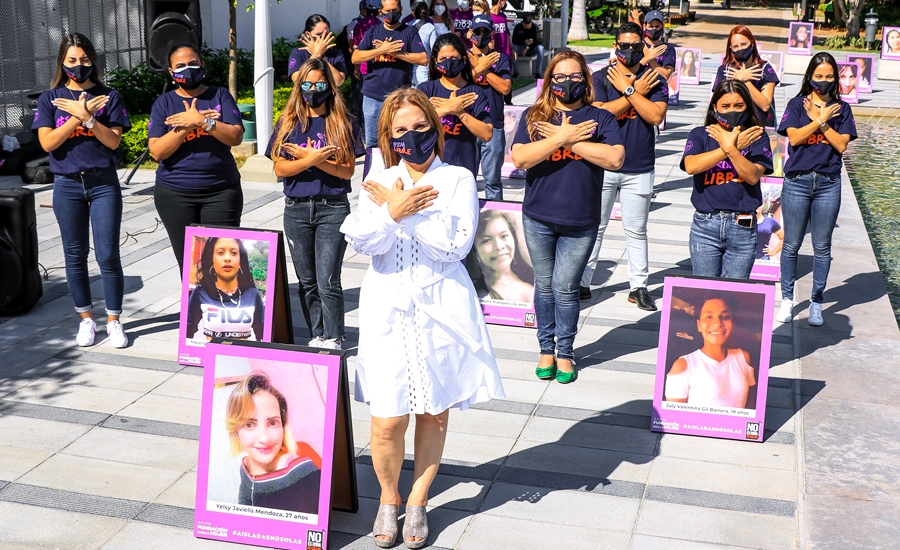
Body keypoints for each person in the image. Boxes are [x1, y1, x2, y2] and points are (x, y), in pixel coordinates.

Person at [340, 87, 505, 549]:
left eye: (420, 127)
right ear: (388, 138)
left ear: (434, 127)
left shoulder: (457, 178)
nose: (412, 137)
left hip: (441, 309)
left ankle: (417, 498)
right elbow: (361, 240)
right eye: (401, 130)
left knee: (433, 412)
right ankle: (388, 497)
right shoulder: (379, 176)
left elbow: (454, 246)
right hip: (387, 309)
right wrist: (392, 211)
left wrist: (401, 212)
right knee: (386, 419)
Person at [511, 51, 625, 384]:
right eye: (559, 77)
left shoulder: (599, 118)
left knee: (566, 288)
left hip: (581, 219)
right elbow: (520, 157)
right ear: (549, 81)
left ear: (585, 80)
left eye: (575, 76)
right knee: (544, 286)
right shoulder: (535, 116)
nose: (567, 82)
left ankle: (566, 352)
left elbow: (615, 158)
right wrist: (562, 136)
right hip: (539, 217)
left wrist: (569, 142)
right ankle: (546, 349)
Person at [33, 32, 131, 348]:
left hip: (103, 183)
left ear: (94, 60)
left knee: (107, 254)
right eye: (73, 60)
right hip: (67, 185)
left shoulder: (109, 96)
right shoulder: (50, 99)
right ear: (62, 61)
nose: (79, 65)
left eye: (85, 59)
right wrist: (75, 118)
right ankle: (86, 320)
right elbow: (48, 143)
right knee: (74, 255)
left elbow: (114, 141)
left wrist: (88, 117)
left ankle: (114, 321)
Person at [266, 58, 360, 350]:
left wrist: (310, 160)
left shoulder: (342, 122)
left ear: (330, 87)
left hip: (332, 208)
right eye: (307, 84)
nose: (313, 90)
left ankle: (334, 337)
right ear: (299, 87)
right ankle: (316, 333)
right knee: (307, 281)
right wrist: (317, 158)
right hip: (296, 209)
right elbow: (280, 170)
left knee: (327, 279)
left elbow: (346, 171)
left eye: (320, 84)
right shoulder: (288, 123)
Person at [579, 22, 668, 310]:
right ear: (615, 46)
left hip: (640, 165)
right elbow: (600, 114)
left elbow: (655, 116)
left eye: (635, 45)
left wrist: (628, 89)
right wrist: (634, 94)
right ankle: (583, 282)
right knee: (595, 225)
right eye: (624, 45)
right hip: (604, 163)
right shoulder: (600, 77)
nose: (629, 51)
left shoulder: (654, 78)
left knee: (636, 229)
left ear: (642, 46)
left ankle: (639, 286)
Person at [148, 43, 245, 275]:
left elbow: (236, 136)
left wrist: (204, 122)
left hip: (221, 191)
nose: (188, 69)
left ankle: (221, 308)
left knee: (223, 263)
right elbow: (158, 151)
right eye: (180, 66)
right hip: (175, 194)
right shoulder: (163, 103)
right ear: (171, 73)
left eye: (193, 63)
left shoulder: (219, 95)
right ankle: (194, 311)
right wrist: (185, 126)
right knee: (190, 265)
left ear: (202, 65)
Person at [775, 52, 856, 326]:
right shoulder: (797, 104)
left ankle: (816, 302)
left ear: (835, 79)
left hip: (828, 184)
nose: (823, 81)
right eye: (818, 76)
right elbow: (795, 138)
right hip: (797, 182)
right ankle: (787, 298)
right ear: (809, 77)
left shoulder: (843, 110)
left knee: (822, 246)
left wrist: (822, 121)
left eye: (829, 77)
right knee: (792, 244)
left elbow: (842, 145)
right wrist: (817, 119)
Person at [681, 80, 773, 279]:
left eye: (738, 105)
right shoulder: (700, 134)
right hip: (706, 224)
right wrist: (728, 148)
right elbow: (692, 166)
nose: (732, 111)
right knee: (704, 290)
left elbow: (752, 176)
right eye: (725, 106)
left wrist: (733, 149)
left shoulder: (758, 136)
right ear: (715, 107)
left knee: (734, 295)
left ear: (747, 106)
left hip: (743, 225)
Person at [226, 372, 321, 514]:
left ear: (283, 425)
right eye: (249, 425)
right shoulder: (246, 465)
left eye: (272, 423)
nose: (264, 438)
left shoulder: (304, 473)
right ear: (234, 431)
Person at [351, 0, 428, 149]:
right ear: (380, 12)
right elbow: (356, 57)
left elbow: (423, 59)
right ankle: (373, 172)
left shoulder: (409, 32)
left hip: (399, 97)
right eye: (387, 11)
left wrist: (397, 53)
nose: (391, 14)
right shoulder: (373, 32)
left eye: (394, 9)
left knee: (399, 139)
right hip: (373, 95)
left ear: (401, 9)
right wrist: (381, 50)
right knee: (373, 142)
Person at [417, 32, 493, 177]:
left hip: (463, 168)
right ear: (435, 61)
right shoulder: (425, 90)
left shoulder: (475, 92)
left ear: (463, 60)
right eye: (443, 58)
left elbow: (487, 133)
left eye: (453, 58)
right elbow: (414, 126)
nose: (449, 62)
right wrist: (447, 109)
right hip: (429, 168)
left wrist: (460, 113)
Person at [665, 295, 757, 409]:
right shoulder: (683, 365)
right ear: (699, 325)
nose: (717, 323)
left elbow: (751, 405)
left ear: (733, 323)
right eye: (709, 316)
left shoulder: (744, 358)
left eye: (725, 316)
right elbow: (673, 417)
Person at [468, 13, 513, 200]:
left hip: (493, 125)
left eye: (484, 31)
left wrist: (483, 69)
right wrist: (478, 68)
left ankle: (493, 218)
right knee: (465, 180)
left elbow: (505, 87)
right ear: (470, 32)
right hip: (467, 125)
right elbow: (458, 82)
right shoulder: (462, 57)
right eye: (477, 31)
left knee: (492, 181)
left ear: (491, 34)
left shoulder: (500, 59)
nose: (480, 35)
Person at [185, 237, 265, 342]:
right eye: (221, 252)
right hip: (211, 355)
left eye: (233, 253)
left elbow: (262, 334)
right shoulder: (201, 292)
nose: (227, 258)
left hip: (243, 356)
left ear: (240, 261)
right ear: (212, 259)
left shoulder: (252, 294)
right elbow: (187, 331)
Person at [713, 26, 779, 127]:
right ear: (730, 48)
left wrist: (745, 81)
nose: (740, 49)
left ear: (752, 42)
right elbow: (716, 102)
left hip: (759, 126)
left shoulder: (765, 69)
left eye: (744, 44)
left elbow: (765, 105)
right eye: (735, 46)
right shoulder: (725, 70)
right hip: (731, 125)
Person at [468, 210, 534, 302]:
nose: (499, 246)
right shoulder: (478, 293)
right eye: (487, 240)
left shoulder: (533, 286)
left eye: (504, 236)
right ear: (476, 250)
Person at [289, 14, 347, 87]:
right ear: (308, 34)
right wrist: (316, 54)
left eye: (326, 34)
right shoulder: (298, 53)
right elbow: (298, 79)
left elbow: (338, 81)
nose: (323, 38)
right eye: (319, 34)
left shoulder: (336, 54)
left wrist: (321, 56)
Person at [641, 10, 675, 80]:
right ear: (644, 26)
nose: (654, 29)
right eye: (650, 26)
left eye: (657, 26)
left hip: (659, 88)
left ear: (662, 27)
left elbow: (666, 75)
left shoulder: (668, 49)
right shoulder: (638, 45)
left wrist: (650, 58)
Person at [411, 1, 439, 85]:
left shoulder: (405, 26)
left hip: (408, 65)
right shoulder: (430, 27)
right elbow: (434, 49)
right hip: (424, 67)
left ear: (413, 13)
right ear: (426, 14)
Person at [511, 12, 544, 78]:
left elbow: (538, 40)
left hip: (531, 48)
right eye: (526, 26)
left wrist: (528, 47)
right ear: (522, 23)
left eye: (529, 26)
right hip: (520, 47)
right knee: (514, 48)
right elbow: (514, 40)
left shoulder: (535, 27)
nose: (527, 28)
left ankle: (538, 73)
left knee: (541, 48)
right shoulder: (518, 27)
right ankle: (516, 72)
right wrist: (524, 42)